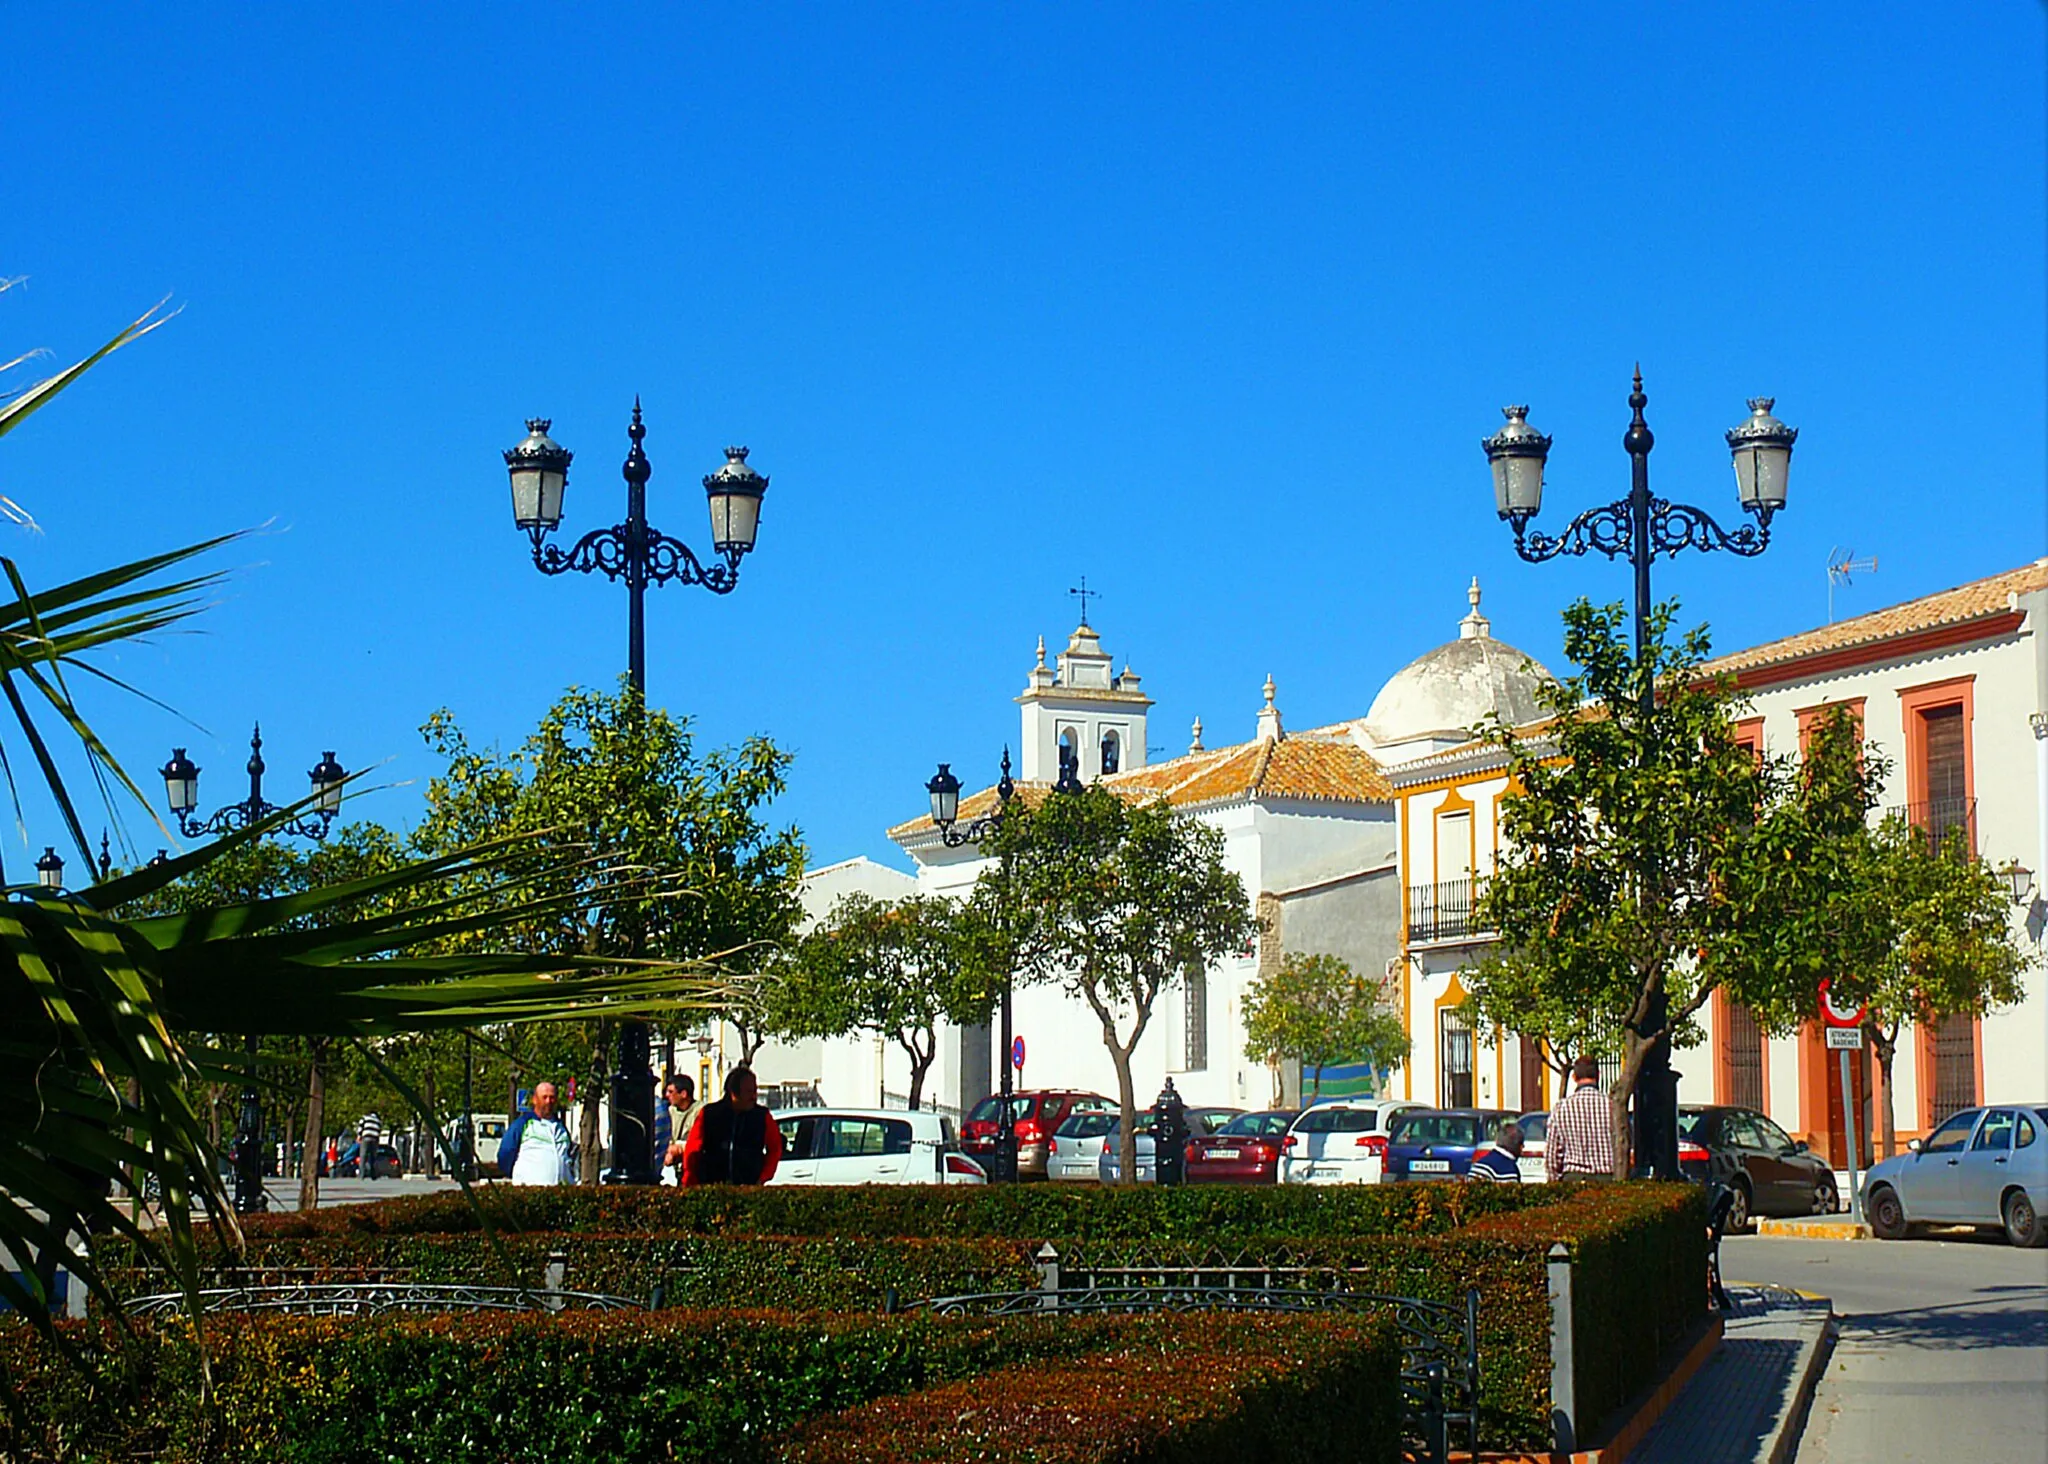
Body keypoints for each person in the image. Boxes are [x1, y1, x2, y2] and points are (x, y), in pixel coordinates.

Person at [680, 1066, 783, 1186]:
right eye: (749, 1092)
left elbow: (775, 1148)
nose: (754, 1097)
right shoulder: (709, 1114)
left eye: (755, 1091)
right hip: (712, 1184)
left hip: (749, 1185)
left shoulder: (762, 1116)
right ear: (733, 1093)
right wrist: (690, 1179)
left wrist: (764, 1176)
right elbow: (693, 1148)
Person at [1546, 1055, 1617, 1181]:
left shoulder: (1561, 1108)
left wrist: (1554, 1182)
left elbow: (1552, 1155)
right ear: (1598, 1075)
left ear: (1574, 1077)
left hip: (1574, 1177)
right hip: (1607, 1178)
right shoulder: (1612, 1106)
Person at [496, 1080, 576, 1186]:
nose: (548, 1101)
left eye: (552, 1097)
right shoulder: (522, 1124)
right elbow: (505, 1154)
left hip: (559, 1191)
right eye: (544, 1097)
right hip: (530, 1191)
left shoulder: (561, 1128)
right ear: (535, 1100)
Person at [658, 1073, 702, 1184]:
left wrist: (679, 1148)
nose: (667, 1095)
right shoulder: (669, 1112)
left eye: (671, 1092)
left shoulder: (701, 1111)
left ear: (683, 1094)